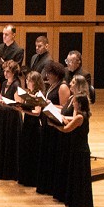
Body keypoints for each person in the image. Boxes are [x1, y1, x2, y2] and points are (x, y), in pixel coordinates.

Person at [36, 61, 70, 196]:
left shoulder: (62, 87)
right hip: (47, 123)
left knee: (52, 152)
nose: (47, 76)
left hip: (55, 125)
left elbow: (65, 108)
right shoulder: (51, 85)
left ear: (56, 74)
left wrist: (50, 104)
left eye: (49, 74)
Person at [58, 91, 93, 207]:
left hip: (79, 150)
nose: (73, 104)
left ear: (79, 104)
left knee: (77, 177)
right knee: (78, 177)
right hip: (79, 149)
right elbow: (71, 122)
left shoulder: (79, 117)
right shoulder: (82, 115)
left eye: (74, 102)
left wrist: (55, 124)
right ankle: (80, 203)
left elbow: (67, 129)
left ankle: (77, 204)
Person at [0, 60, 22, 180]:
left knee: (10, 143)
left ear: (14, 72)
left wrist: (6, 103)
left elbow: (19, 104)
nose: (5, 73)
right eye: (4, 71)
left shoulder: (16, 84)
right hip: (4, 116)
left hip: (12, 118)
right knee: (3, 141)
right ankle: (1, 171)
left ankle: (10, 173)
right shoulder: (5, 82)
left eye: (8, 71)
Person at [15, 71, 44, 187]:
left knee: (32, 152)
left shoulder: (39, 95)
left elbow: (37, 112)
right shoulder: (29, 93)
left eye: (29, 80)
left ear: (35, 82)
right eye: (27, 80)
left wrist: (24, 110)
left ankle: (31, 179)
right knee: (25, 150)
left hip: (34, 126)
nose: (27, 82)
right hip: (27, 124)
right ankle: (24, 177)